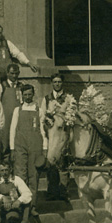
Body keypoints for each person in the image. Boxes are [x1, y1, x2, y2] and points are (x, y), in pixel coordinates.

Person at [9, 82, 47, 223]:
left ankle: (31, 208)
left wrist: (44, 149)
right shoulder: (17, 110)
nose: (28, 97)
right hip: (20, 147)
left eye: (30, 94)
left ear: (33, 94)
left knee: (34, 178)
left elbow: (43, 131)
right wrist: (12, 148)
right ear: (22, 95)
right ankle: (20, 210)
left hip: (36, 147)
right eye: (25, 95)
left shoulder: (39, 110)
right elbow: (12, 130)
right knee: (20, 177)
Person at [42, 72, 69, 200]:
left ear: (62, 83)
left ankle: (63, 191)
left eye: (59, 81)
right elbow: (43, 116)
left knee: (63, 161)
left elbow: (71, 117)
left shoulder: (69, 99)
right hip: (51, 134)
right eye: (55, 82)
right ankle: (52, 191)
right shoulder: (47, 99)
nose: (57, 84)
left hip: (63, 134)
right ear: (51, 83)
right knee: (51, 161)